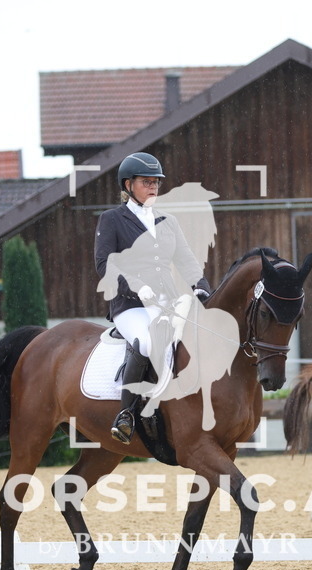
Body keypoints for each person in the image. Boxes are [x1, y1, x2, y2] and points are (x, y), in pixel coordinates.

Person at [94, 152, 211, 445]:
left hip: (167, 302)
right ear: (128, 185)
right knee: (145, 342)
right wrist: (135, 288)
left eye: (156, 182)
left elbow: (186, 260)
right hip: (130, 305)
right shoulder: (112, 220)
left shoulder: (167, 221)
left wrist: (201, 287)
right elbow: (104, 264)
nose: (154, 187)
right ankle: (126, 414)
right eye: (147, 182)